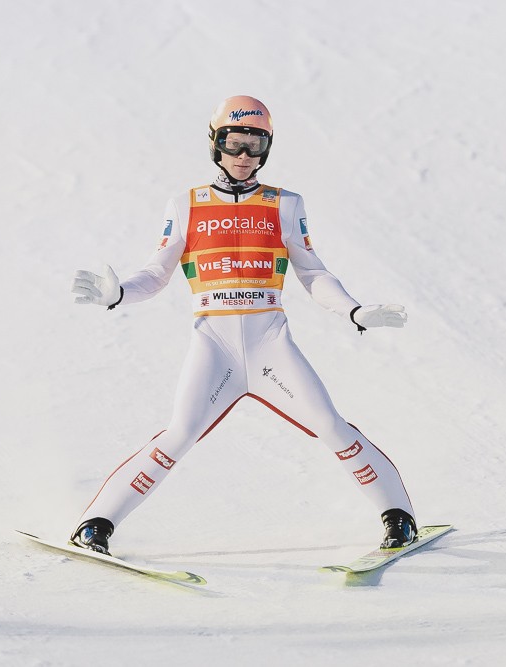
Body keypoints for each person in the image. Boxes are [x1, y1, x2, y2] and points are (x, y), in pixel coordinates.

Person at [69, 95, 416, 556]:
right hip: (215, 345)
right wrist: (119, 294)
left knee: (330, 425)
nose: (244, 155)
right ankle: (95, 525)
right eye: (234, 143)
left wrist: (352, 310)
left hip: (270, 342)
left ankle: (399, 518)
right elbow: (156, 273)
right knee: (179, 433)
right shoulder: (186, 204)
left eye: (256, 144)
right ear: (215, 143)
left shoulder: (285, 204)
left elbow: (313, 272)